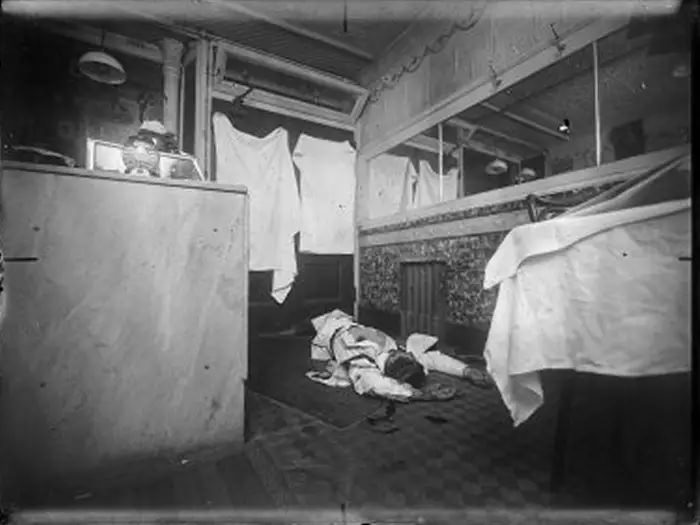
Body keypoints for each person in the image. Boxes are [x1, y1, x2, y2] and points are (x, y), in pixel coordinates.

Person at [306, 310, 493, 402]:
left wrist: (466, 371)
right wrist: (466, 371)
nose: (407, 355)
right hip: (341, 326)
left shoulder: (362, 360)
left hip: (333, 331)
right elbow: (431, 358)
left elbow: (372, 383)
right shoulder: (391, 352)